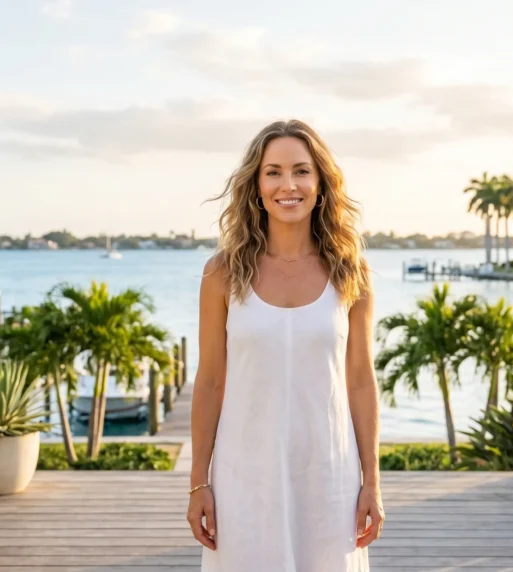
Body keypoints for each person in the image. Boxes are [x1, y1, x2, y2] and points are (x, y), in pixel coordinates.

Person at [187, 119, 383, 571]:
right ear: (256, 186)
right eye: (273, 172)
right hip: (244, 480)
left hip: (331, 479)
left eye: (300, 170)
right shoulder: (222, 273)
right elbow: (211, 381)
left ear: (320, 183)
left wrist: (371, 482)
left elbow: (359, 381)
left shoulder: (351, 272)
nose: (287, 184)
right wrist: (199, 484)